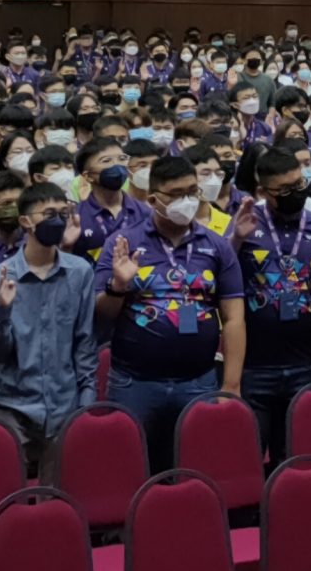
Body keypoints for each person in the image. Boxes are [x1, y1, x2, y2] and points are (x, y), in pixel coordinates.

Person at [92, 155, 246, 474]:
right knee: (131, 470)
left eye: (192, 191)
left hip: (199, 381)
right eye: (176, 195)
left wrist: (231, 385)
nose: (186, 201)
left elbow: (233, 318)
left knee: (197, 471)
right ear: (152, 199)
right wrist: (119, 285)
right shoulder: (124, 243)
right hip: (135, 383)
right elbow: (102, 314)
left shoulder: (217, 246)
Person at [0, 181, 96, 478]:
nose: (57, 220)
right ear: (25, 221)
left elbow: (84, 340)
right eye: (48, 213)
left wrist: (87, 399)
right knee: (6, 489)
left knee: (59, 494)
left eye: (63, 212)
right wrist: (3, 312)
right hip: (12, 400)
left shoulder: (80, 271)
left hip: (63, 400)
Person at [236, 148, 311, 467]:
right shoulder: (246, 224)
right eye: (285, 190)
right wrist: (235, 242)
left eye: (299, 185)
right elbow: (224, 289)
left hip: (304, 362)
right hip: (255, 367)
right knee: (249, 457)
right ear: (264, 191)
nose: (295, 194)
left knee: (298, 458)